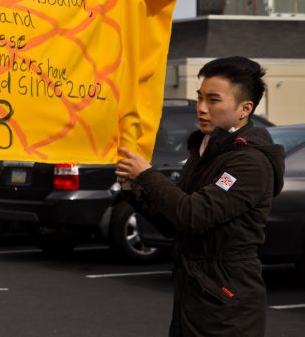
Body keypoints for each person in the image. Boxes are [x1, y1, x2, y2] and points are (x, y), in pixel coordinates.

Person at [115, 56, 285, 337]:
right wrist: (134, 192)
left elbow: (194, 215)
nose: (202, 108)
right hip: (195, 295)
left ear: (245, 109)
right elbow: (176, 223)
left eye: (214, 100)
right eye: (200, 98)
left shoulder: (249, 163)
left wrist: (146, 174)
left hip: (227, 304)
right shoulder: (205, 151)